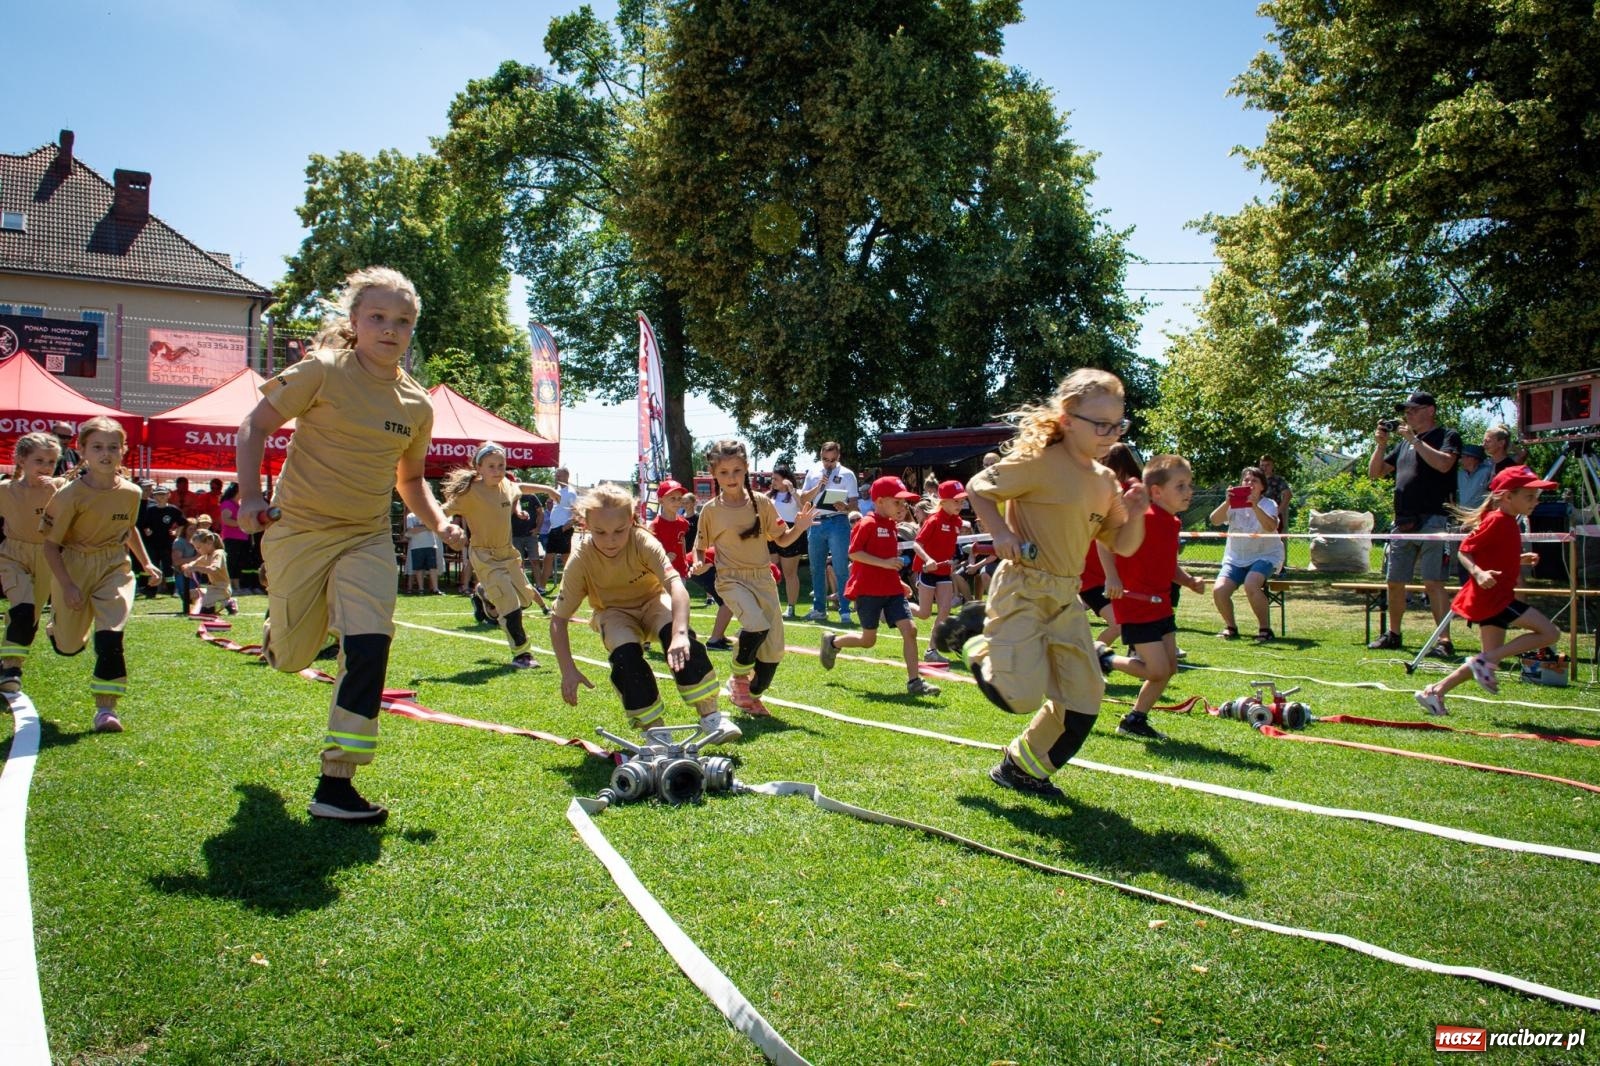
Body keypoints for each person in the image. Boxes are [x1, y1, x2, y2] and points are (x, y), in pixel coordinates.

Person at [236, 265, 464, 823]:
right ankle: (279, 633)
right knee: (291, 658)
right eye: (379, 318)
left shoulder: (417, 405)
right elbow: (253, 426)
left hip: (365, 537)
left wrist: (438, 523)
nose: (391, 330)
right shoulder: (323, 370)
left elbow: (408, 481)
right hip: (300, 531)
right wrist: (246, 498)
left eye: (403, 322)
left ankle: (337, 784)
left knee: (370, 645)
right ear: (355, 322)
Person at [931, 368, 1147, 798]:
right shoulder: (1038, 462)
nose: (1110, 434)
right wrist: (1002, 533)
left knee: (1085, 697)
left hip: (1066, 599)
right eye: (1100, 424)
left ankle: (1021, 768)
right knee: (1020, 697)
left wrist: (1138, 511)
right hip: (1024, 588)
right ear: (1068, 420)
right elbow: (979, 488)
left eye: (1117, 424)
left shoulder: (1105, 482)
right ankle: (972, 639)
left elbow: (1122, 545)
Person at [550, 483, 738, 743]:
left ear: (631, 520)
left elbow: (675, 586)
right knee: (626, 659)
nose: (610, 540)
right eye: (600, 532)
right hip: (613, 612)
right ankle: (655, 732)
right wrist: (567, 669)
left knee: (680, 639)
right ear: (585, 524)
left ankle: (711, 716)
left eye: (619, 530)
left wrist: (681, 634)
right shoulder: (581, 557)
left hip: (653, 601)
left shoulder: (643, 540)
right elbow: (558, 619)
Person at [39, 416, 163, 732]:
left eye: (112, 447)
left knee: (111, 634)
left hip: (114, 567)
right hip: (74, 566)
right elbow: (51, 547)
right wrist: (66, 586)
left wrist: (145, 562)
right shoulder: (70, 495)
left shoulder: (133, 492)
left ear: (123, 450)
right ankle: (58, 631)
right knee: (69, 646)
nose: (105, 454)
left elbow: (128, 528)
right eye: (97, 447)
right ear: (82, 451)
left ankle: (106, 709)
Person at [1415, 466, 1562, 716]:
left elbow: (1496, 554)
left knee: (1489, 659)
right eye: (1529, 497)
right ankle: (1480, 663)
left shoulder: (1508, 522)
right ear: (1507, 496)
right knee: (1550, 633)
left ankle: (1434, 693)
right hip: (1493, 598)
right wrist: (1479, 573)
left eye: (1536, 497)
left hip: (1494, 598)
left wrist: (1519, 560)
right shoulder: (1496, 520)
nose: (1535, 502)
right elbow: (1464, 549)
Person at [693, 440, 815, 716]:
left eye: (737, 470)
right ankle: (738, 678)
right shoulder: (711, 510)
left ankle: (752, 697)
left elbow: (782, 540)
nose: (731, 477)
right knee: (755, 624)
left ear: (747, 468)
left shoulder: (762, 503)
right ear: (714, 474)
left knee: (773, 653)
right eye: (723, 472)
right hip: (731, 579)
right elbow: (699, 546)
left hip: (762, 579)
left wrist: (801, 526)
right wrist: (700, 562)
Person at [1099, 454, 1208, 740]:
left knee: (1169, 667)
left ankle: (1135, 719)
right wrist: (1111, 577)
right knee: (1157, 670)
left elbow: (1167, 564)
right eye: (1181, 486)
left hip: (1160, 603)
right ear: (1157, 491)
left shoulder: (1171, 522)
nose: (1189, 492)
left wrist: (1187, 581)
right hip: (1135, 603)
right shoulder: (1141, 515)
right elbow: (1103, 541)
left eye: (1189, 485)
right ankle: (1104, 658)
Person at [820, 476, 942, 696]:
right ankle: (833, 642)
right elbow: (854, 553)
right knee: (868, 640)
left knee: (911, 630)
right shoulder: (867, 523)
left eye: (904, 503)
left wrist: (899, 582)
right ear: (879, 501)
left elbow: (887, 561)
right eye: (897, 502)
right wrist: (885, 564)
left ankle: (915, 682)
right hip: (868, 590)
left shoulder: (892, 527)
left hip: (891, 590)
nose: (903, 507)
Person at [441, 441, 553, 669]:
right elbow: (442, 511)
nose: (497, 471)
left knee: (525, 598)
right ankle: (522, 653)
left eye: (501, 466)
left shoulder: (507, 486)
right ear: (478, 468)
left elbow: (520, 488)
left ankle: (484, 593)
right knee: (510, 603)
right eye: (491, 466)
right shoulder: (469, 493)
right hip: (484, 555)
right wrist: (448, 527)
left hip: (508, 554)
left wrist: (548, 490)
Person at [1367, 391, 1461, 655]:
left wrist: (1414, 439)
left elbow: (1444, 465)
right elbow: (1375, 473)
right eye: (1405, 411)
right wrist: (1381, 445)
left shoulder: (1447, 436)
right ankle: (1393, 634)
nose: (1407, 415)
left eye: (1413, 410)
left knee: (1433, 582)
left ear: (1430, 410)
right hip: (1403, 521)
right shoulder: (1403, 445)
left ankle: (1444, 641)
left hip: (1434, 518)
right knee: (1394, 581)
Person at [0, 432, 64, 694]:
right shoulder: (5, 491)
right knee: (24, 607)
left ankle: (9, 660)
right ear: (20, 460)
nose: (45, 467)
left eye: (51, 462)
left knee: (31, 617)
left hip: (47, 556)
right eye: (39, 460)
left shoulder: (60, 488)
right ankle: (12, 669)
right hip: (12, 555)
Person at [1209, 465, 1284, 643]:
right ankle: (1231, 627)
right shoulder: (1232, 505)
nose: (1249, 483)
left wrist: (1255, 506)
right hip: (1236, 558)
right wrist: (1227, 501)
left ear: (1262, 486)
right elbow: (1214, 520)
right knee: (1219, 590)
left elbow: (1271, 526)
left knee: (1251, 584)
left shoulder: (1269, 504)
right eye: (1246, 480)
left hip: (1265, 556)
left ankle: (1265, 629)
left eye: (1254, 480)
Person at [1079, 442, 1144, 647]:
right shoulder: (1109, 493)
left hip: (1111, 575)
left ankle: (1134, 653)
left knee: (1130, 623)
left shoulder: (1127, 492)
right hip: (1092, 577)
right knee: (1120, 625)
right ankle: (1095, 661)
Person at [799, 441, 859, 624]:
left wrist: (845, 507)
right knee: (816, 567)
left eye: (832, 460)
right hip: (816, 521)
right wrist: (818, 487)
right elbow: (803, 499)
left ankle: (844, 610)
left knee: (841, 567)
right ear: (820, 456)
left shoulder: (848, 475)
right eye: (825, 459)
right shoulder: (813, 472)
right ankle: (819, 609)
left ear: (838, 457)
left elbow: (854, 506)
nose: (829, 464)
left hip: (838, 521)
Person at [910, 479, 967, 664]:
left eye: (961, 500)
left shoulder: (957, 521)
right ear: (943, 501)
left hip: (943, 573)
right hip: (928, 571)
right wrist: (928, 559)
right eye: (956, 501)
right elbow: (916, 544)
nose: (960, 504)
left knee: (945, 609)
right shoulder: (933, 520)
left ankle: (931, 650)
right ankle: (894, 608)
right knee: (925, 613)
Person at [767, 465, 806, 618]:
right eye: (772, 478)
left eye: (776, 479)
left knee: (790, 573)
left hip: (792, 531)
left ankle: (791, 608)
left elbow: (804, 509)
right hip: (772, 531)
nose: (773, 481)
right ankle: (770, 604)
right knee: (769, 570)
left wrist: (793, 492)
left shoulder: (797, 494)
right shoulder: (769, 495)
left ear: (786, 479)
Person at [138, 483, 185, 600]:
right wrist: (147, 530)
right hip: (152, 543)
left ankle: (172, 590)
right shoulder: (150, 510)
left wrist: (176, 532)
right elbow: (144, 524)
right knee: (153, 566)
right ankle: (151, 590)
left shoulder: (173, 510)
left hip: (167, 543)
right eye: (158, 495)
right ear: (154, 496)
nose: (160, 497)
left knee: (168, 567)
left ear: (168, 495)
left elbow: (183, 523)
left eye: (163, 495)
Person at [535, 467, 578, 592]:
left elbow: (577, 512)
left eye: (560, 476)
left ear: (566, 476)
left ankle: (574, 586)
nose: (557, 478)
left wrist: (565, 527)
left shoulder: (571, 492)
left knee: (566, 560)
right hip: (554, 529)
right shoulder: (557, 490)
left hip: (563, 529)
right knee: (548, 558)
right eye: (557, 475)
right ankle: (541, 587)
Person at [180, 528, 235, 616]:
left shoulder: (218, 553)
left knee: (205, 611)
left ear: (209, 542)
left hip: (222, 588)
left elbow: (213, 569)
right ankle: (215, 602)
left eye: (198, 547)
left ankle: (227, 603)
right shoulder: (205, 556)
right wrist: (187, 567)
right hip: (212, 588)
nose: (197, 550)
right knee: (187, 595)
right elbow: (192, 564)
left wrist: (195, 568)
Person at [218, 482, 261, 593]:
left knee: (239, 562)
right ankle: (232, 587)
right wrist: (242, 523)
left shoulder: (238, 504)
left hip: (242, 538)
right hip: (232, 538)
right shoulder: (227, 503)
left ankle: (237, 586)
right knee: (232, 562)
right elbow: (226, 520)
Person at [1258, 454, 1293, 570]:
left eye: (1267, 465)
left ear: (1272, 466)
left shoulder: (1278, 480)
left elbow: (1288, 494)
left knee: (1276, 541)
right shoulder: (1256, 480)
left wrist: (1278, 511)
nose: (1264, 468)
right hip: (1256, 515)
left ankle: (1279, 567)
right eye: (1262, 465)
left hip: (1272, 515)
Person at [403, 510, 442, 594]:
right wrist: (425, 527)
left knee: (433, 567)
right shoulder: (410, 516)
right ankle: (421, 589)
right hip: (416, 545)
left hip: (431, 544)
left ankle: (436, 589)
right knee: (419, 568)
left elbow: (433, 526)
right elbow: (411, 530)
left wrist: (419, 528)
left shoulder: (429, 514)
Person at [171, 518, 198, 607]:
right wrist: (195, 558)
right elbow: (176, 561)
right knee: (188, 597)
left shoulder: (197, 541)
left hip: (195, 573)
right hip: (182, 574)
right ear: (185, 529)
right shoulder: (179, 542)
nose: (193, 531)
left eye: (195, 529)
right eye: (191, 529)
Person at [1456, 444, 1491, 510]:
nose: (1460, 460)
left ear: (1474, 459)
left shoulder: (1487, 471)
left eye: (1463, 457)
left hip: (1480, 514)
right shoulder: (1460, 474)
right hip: (1463, 514)